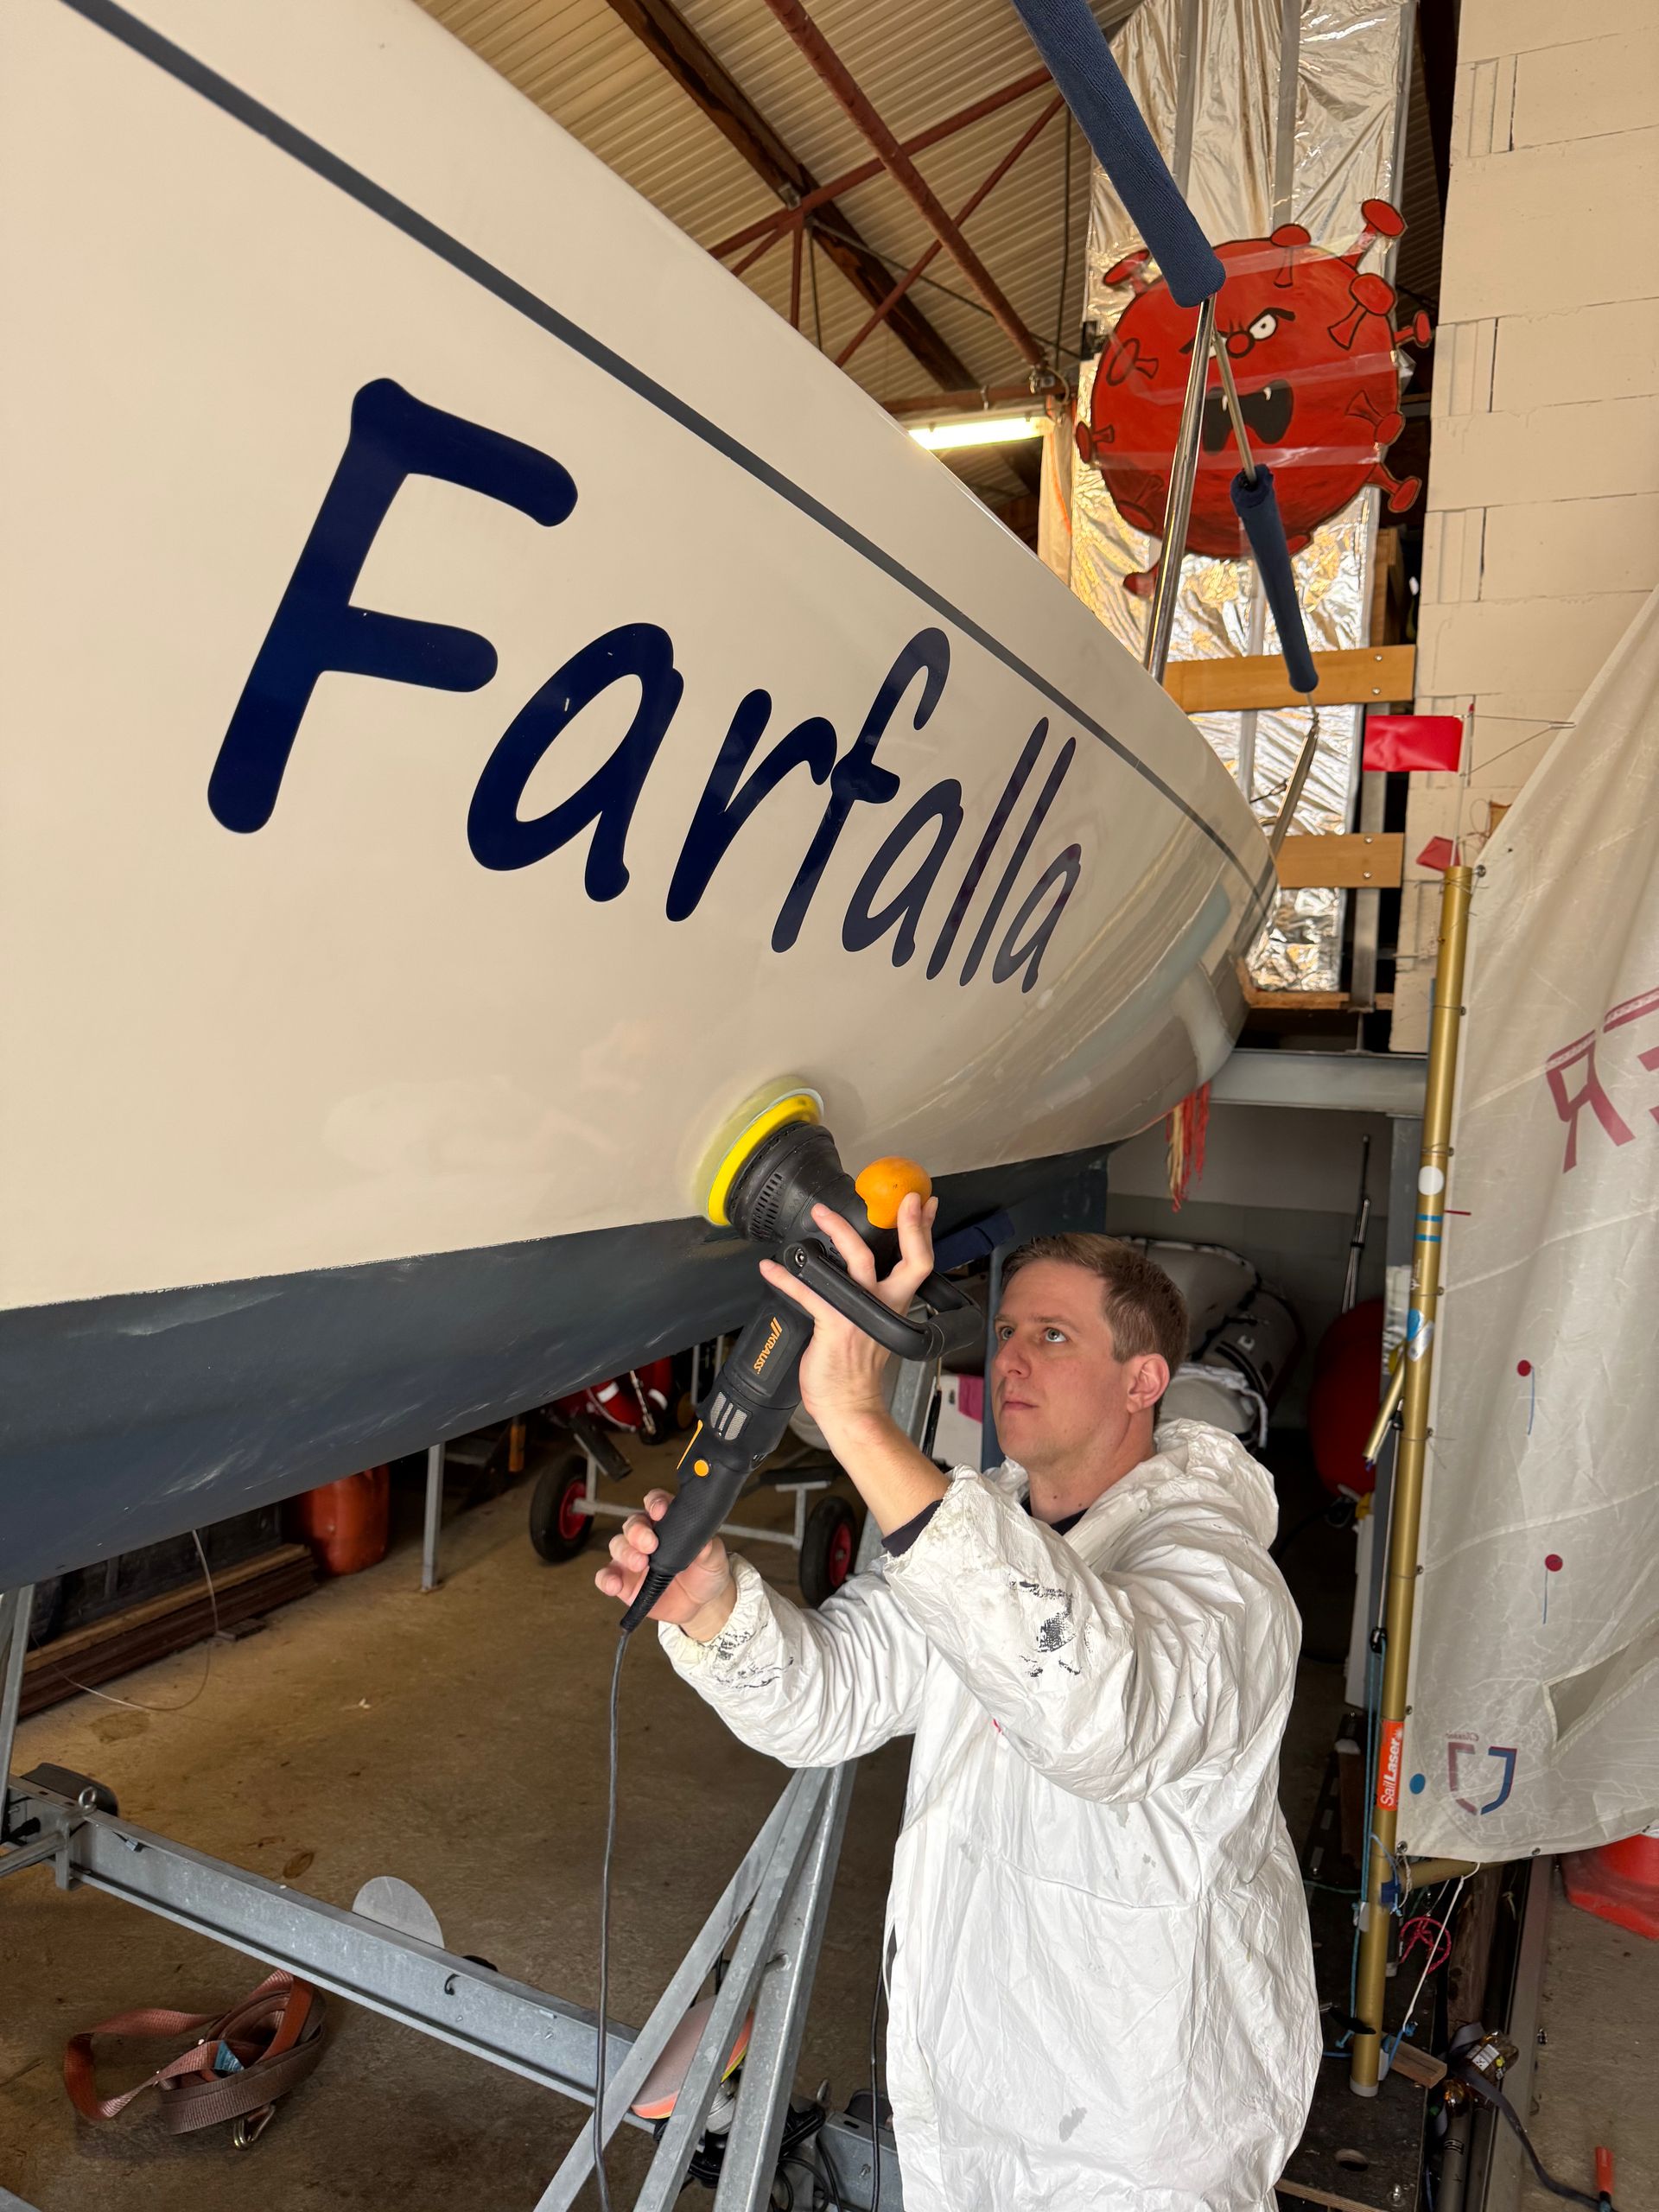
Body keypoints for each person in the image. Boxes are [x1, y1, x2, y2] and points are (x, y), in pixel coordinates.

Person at [597, 1194, 1319, 2212]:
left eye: (1053, 1335)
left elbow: (1096, 1714)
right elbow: (831, 1698)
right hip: (971, 2106)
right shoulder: (986, 1538)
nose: (1011, 1357)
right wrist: (715, 1610)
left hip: (1139, 2137)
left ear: (1143, 1380)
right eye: (1007, 1330)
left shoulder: (1221, 1578)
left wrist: (858, 1418)